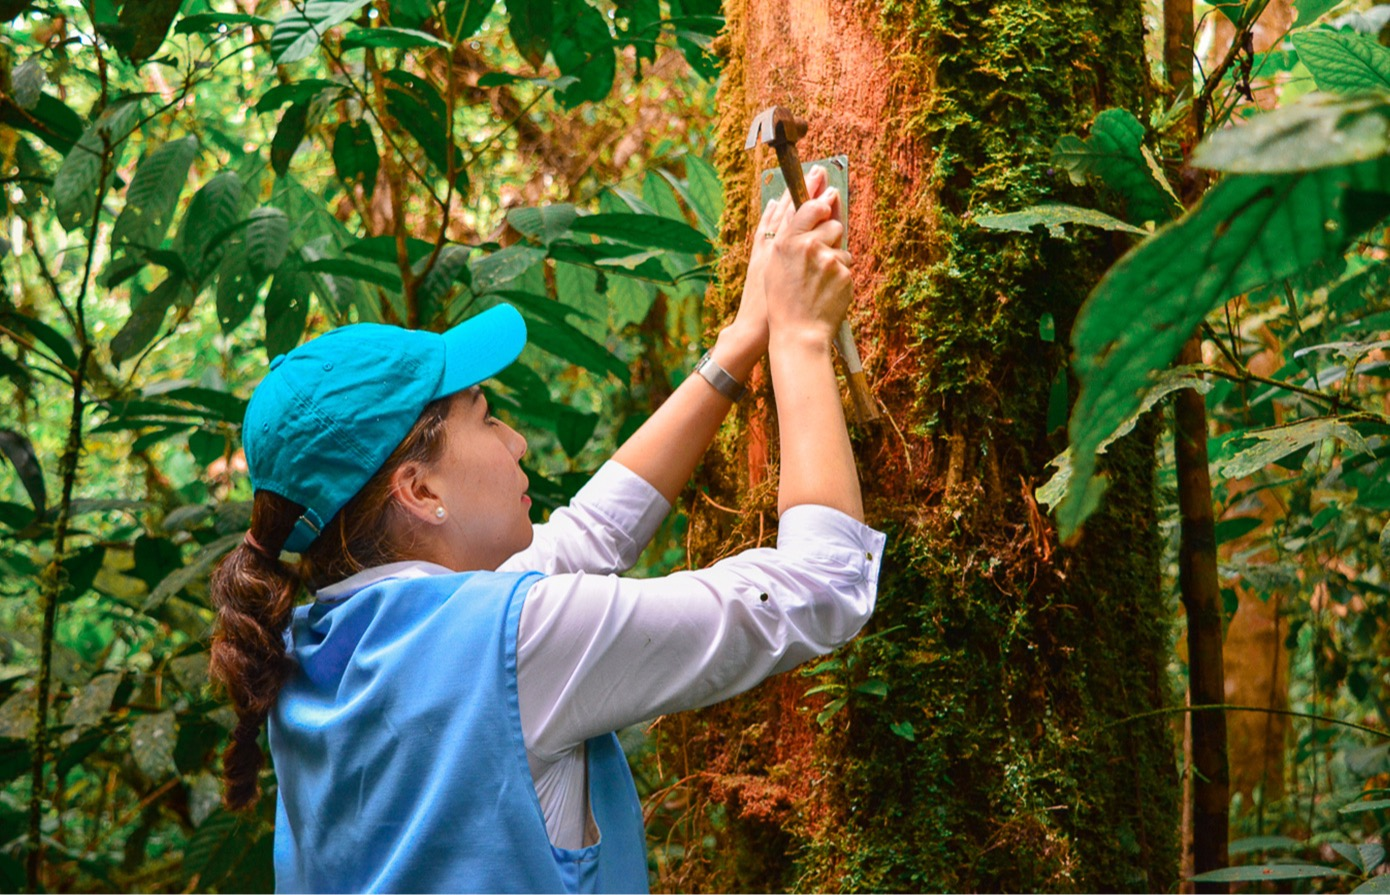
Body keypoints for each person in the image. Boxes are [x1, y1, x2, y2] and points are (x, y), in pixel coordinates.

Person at [208, 168, 885, 894]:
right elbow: (821, 588)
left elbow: (584, 539)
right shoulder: (518, 643)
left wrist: (741, 340)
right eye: (486, 415)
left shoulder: (311, 649)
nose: (516, 442)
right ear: (420, 489)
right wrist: (801, 339)